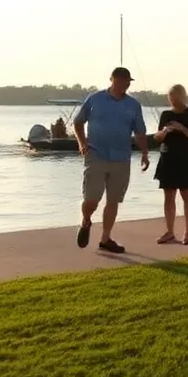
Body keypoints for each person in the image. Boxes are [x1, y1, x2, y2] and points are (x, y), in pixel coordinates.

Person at [73, 67, 149, 254]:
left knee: (113, 200)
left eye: (128, 81)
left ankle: (105, 239)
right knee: (92, 199)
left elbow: (139, 132)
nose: (125, 84)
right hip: (96, 155)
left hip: (121, 158)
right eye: (121, 80)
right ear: (112, 79)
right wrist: (82, 143)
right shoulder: (95, 99)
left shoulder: (133, 105)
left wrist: (145, 153)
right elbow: (78, 122)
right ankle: (86, 220)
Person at [154, 84, 188, 245]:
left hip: (186, 159)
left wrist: (182, 129)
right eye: (171, 98)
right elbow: (157, 137)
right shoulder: (166, 114)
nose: (173, 101)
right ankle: (169, 232)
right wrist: (165, 131)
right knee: (169, 196)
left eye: (176, 98)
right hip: (168, 158)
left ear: (183, 97)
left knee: (186, 195)